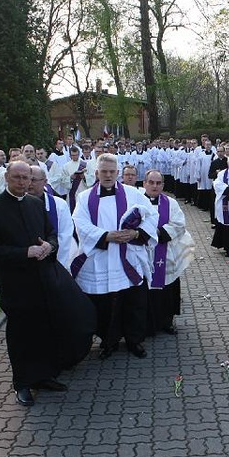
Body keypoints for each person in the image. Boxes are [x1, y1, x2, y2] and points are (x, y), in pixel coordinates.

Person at [0, 161, 95, 406]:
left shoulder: (35, 204)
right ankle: (22, 383)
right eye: (17, 177)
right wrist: (25, 253)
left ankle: (44, 376)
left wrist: (48, 246)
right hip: (15, 283)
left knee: (45, 328)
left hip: (43, 278)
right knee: (21, 334)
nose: (22, 182)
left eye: (26, 178)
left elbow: (51, 233)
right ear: (7, 177)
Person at [71, 154, 158, 359]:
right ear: (97, 173)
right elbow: (80, 223)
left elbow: (152, 216)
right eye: (104, 172)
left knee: (133, 302)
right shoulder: (84, 197)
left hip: (128, 255)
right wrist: (105, 236)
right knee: (105, 304)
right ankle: (108, 342)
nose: (108, 175)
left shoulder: (133, 194)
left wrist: (136, 234)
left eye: (112, 172)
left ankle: (134, 341)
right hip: (101, 257)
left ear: (117, 173)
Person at [143, 170, 195, 335]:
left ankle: (166, 321)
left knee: (168, 290)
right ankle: (146, 324)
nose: (154, 186)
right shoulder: (136, 202)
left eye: (158, 183)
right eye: (151, 182)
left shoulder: (170, 203)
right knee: (144, 291)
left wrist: (156, 233)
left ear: (163, 185)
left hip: (165, 254)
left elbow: (179, 224)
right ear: (144, 183)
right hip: (143, 254)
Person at [28, 165, 77, 268]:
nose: (29, 183)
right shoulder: (17, 203)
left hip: (53, 261)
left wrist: (49, 250)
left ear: (45, 181)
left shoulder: (59, 204)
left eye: (33, 180)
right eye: (26, 178)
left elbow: (65, 236)